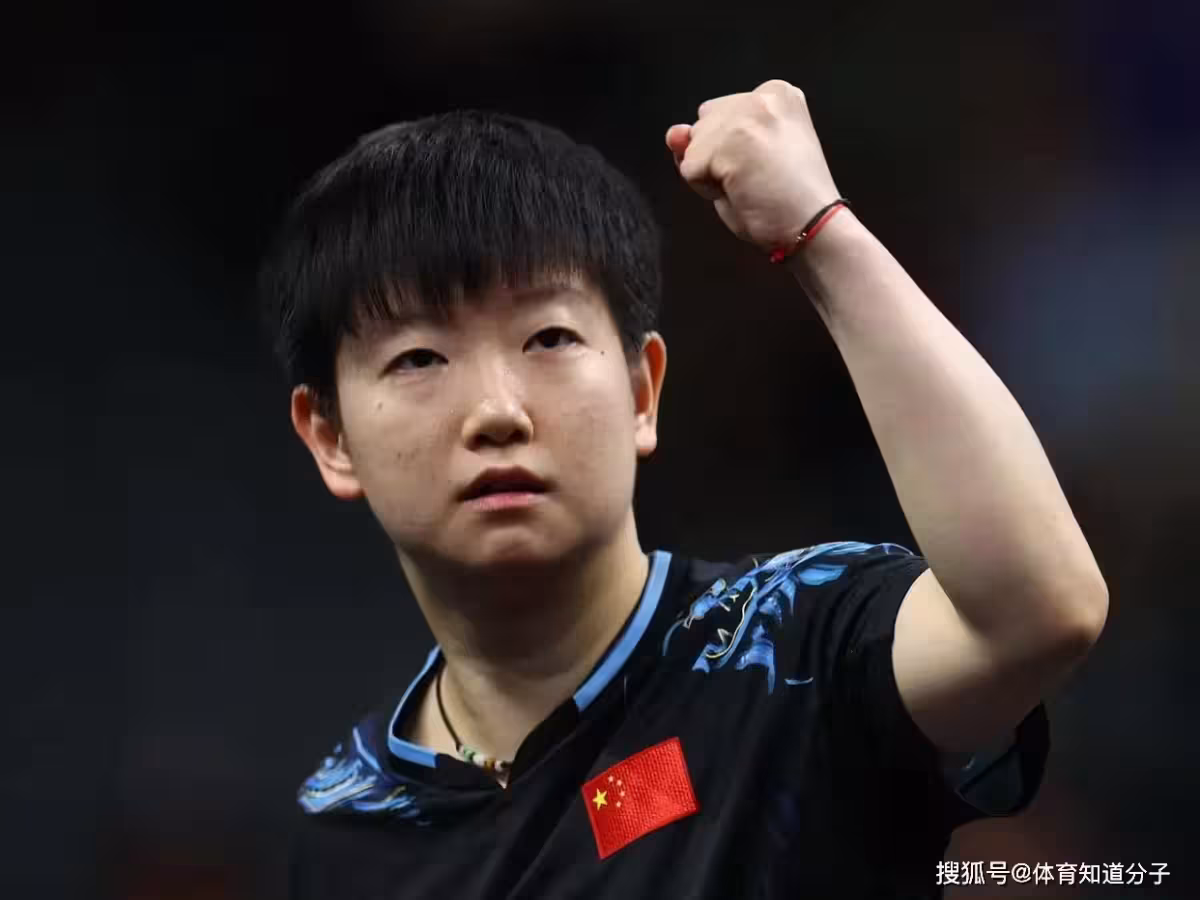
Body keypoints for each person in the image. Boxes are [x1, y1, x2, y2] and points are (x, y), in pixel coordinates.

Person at [258, 79, 1108, 898]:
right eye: (418, 358)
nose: (497, 411)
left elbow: (1037, 613)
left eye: (548, 338)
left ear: (642, 392)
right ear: (331, 437)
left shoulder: (790, 647)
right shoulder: (344, 827)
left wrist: (821, 231)